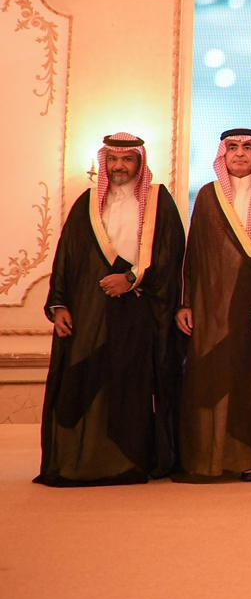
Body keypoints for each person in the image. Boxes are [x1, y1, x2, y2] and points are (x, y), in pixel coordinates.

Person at [36, 133, 185, 486]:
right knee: (87, 377)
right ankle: (88, 458)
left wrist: (131, 279)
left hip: (140, 308)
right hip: (91, 310)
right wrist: (59, 304)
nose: (120, 166)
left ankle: (128, 461)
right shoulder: (87, 203)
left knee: (131, 382)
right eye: (113, 159)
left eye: (127, 159)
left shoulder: (158, 201)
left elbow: (171, 255)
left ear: (139, 163)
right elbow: (66, 256)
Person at [175, 128, 251, 481]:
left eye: (247, 147)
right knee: (213, 376)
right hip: (213, 307)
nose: (240, 153)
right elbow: (194, 254)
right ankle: (212, 456)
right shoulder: (208, 195)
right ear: (223, 154)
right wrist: (186, 304)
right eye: (232, 147)